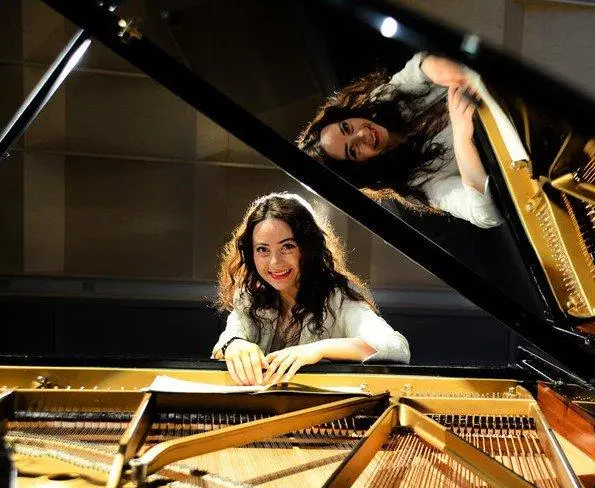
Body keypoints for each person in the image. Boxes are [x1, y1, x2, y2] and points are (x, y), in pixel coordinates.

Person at [212, 192, 410, 385]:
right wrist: (234, 345)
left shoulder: (338, 296)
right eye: (263, 249)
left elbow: (395, 347)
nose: (275, 262)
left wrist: (318, 350)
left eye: (287, 246)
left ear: (308, 247)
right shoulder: (250, 296)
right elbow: (225, 344)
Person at [297, 52, 503, 229]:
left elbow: (419, 65)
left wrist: (436, 69)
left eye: (346, 127)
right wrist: (462, 137)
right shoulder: (415, 184)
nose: (362, 135)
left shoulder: (379, 102)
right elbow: (485, 215)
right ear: (359, 169)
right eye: (353, 150)